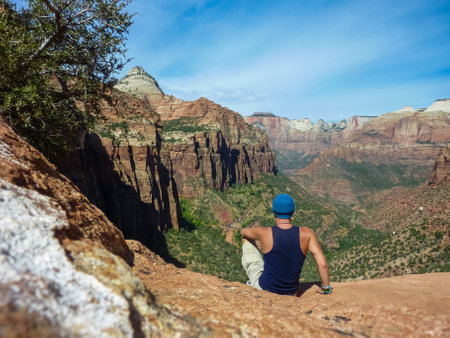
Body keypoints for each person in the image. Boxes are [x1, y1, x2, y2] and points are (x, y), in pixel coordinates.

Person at [240, 193, 331, 295]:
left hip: (264, 289)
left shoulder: (264, 232)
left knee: (246, 239)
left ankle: (250, 285)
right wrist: (326, 288)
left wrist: (254, 234)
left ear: (274, 211)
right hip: (292, 293)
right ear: (292, 211)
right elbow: (322, 264)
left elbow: (243, 232)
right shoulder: (307, 234)